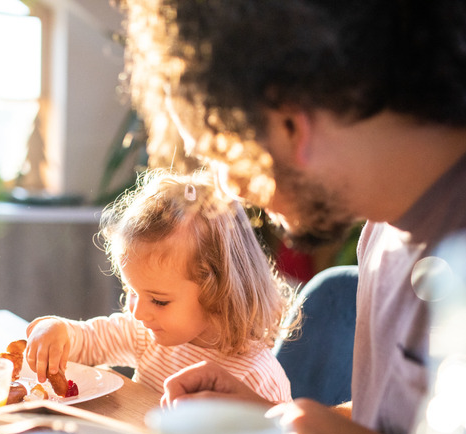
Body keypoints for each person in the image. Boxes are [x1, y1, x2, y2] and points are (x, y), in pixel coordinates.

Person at [118, 0, 466, 434]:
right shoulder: (384, 219)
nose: (230, 187)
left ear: (290, 120)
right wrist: (270, 423)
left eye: (222, 152)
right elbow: (403, 426)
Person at [24, 169, 298, 405]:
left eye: (158, 301)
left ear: (218, 293)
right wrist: (58, 331)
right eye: (132, 292)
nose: (139, 313)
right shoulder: (145, 335)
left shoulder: (255, 379)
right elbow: (89, 342)